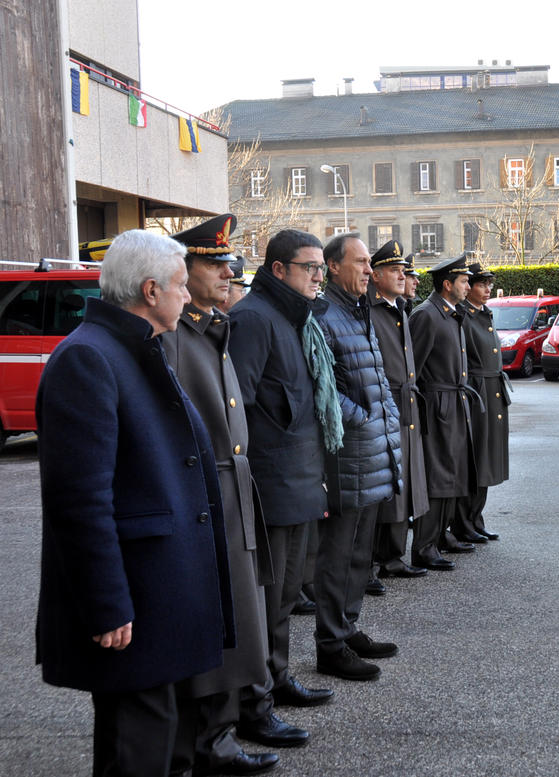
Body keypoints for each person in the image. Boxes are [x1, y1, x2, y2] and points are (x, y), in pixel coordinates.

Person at [36, 229, 234, 777]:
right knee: (135, 746)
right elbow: (80, 501)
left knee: (161, 737)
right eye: (179, 285)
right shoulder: (89, 358)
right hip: (135, 595)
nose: (187, 296)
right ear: (150, 291)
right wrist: (107, 604)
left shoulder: (134, 346)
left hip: (160, 588)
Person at [161, 215, 279, 776]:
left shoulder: (213, 325)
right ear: (183, 271)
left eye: (229, 264)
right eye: (214, 265)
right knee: (217, 619)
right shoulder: (174, 334)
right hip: (205, 496)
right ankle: (208, 741)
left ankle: (221, 733)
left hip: (231, 492)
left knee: (240, 617)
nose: (228, 273)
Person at [229, 230, 335, 749]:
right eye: (309, 267)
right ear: (278, 270)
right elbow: (239, 412)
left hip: (299, 479)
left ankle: (276, 679)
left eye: (321, 268)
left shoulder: (293, 317)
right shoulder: (253, 319)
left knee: (287, 595)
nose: (318, 276)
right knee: (266, 601)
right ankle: (254, 706)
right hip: (271, 485)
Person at [309, 232, 403, 681]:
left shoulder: (357, 310)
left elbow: (376, 380)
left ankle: (347, 629)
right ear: (333, 266)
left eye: (369, 262)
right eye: (361, 262)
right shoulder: (324, 314)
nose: (369, 270)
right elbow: (322, 388)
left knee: (359, 554)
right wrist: (365, 420)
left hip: (372, 451)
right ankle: (330, 644)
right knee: (338, 555)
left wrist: (386, 418)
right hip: (348, 456)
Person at [366, 242, 430, 583]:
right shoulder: (369, 309)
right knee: (386, 485)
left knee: (404, 483)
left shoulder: (399, 308)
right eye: (394, 270)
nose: (402, 276)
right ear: (375, 276)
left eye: (403, 270)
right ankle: (373, 562)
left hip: (406, 404)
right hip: (386, 404)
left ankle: (392, 556)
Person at [408, 256, 476, 570]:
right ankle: (424, 545)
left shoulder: (450, 312)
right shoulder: (427, 314)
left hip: (454, 401)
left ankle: (441, 535)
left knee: (453, 471)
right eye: (464, 281)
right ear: (447, 284)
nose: (468, 286)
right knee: (437, 476)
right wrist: (427, 407)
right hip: (437, 406)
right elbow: (414, 368)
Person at [455, 263, 509, 541]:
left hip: (491, 391)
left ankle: (475, 518)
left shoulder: (483, 312)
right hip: (477, 392)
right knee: (476, 459)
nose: (487, 289)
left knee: (487, 459)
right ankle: (464, 522)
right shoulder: (464, 315)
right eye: (480, 284)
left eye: (489, 284)